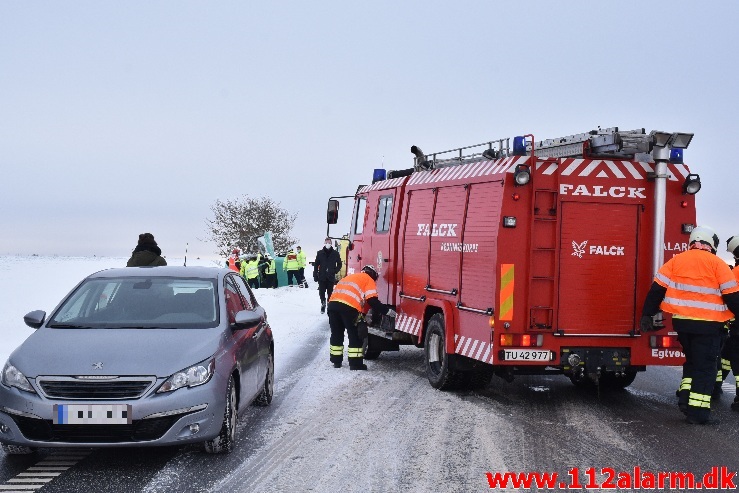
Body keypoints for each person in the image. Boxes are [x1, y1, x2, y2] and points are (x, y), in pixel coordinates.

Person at [640, 226, 739, 425]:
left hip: (683, 324)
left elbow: (656, 290)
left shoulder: (676, 261)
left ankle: (685, 400)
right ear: (710, 245)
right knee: (705, 369)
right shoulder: (717, 264)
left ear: (692, 242)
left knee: (692, 363)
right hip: (709, 326)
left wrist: (647, 314)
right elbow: (732, 297)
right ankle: (698, 414)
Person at [327, 265, 396, 370]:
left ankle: (336, 361)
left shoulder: (350, 277)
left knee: (336, 333)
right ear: (373, 275)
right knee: (355, 335)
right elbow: (372, 300)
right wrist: (387, 311)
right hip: (348, 308)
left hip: (332, 306)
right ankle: (355, 364)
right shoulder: (368, 280)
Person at [718, 235, 739, 411]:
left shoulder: (736, 273)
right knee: (726, 356)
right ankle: (715, 386)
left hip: (736, 327)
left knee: (735, 360)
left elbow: (729, 298)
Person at [314, 237, 342, 313]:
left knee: (330, 292)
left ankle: (329, 304)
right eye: (326, 242)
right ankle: (323, 304)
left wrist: (335, 271)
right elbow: (316, 264)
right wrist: (315, 275)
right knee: (321, 292)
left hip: (330, 276)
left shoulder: (335, 253)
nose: (327, 244)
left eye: (329, 242)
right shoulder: (320, 253)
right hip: (322, 276)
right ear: (324, 243)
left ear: (331, 243)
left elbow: (339, 264)